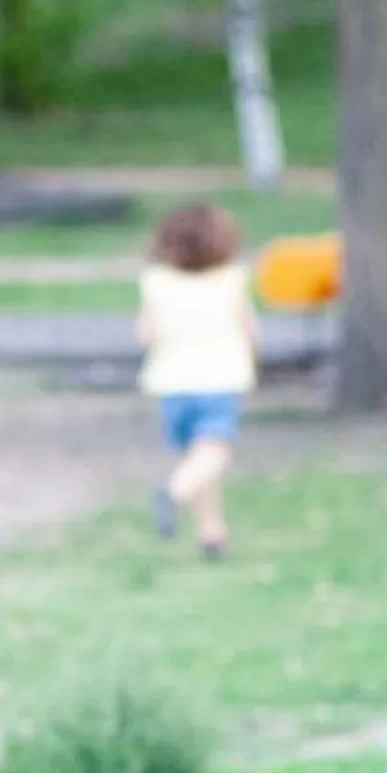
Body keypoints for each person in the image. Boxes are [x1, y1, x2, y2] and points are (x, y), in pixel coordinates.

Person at [136, 202, 261, 560]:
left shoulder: (156, 281)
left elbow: (145, 334)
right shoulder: (231, 279)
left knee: (197, 458)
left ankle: (212, 533)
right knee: (214, 453)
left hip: (171, 384)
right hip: (219, 380)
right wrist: (253, 356)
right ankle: (173, 493)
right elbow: (250, 329)